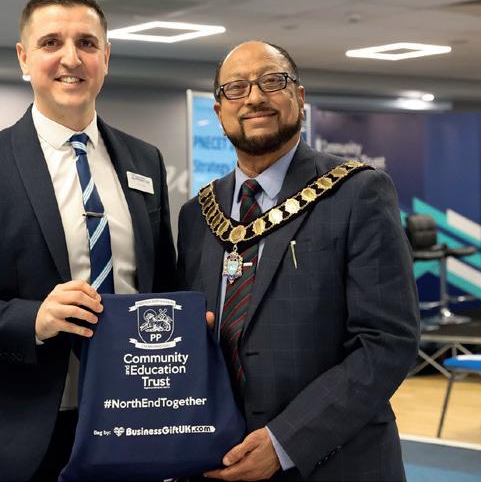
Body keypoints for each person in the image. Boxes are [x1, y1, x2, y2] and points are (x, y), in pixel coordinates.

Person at [0, 0, 176, 482]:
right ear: (24, 58)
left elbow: (162, 284)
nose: (71, 58)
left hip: (138, 417)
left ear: (106, 57)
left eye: (87, 43)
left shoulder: (145, 161)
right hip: (28, 431)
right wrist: (34, 318)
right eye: (51, 42)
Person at [176, 41, 419, 481]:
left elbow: (386, 342)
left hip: (335, 463)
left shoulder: (357, 193)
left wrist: (286, 441)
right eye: (236, 88)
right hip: (218, 462)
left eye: (272, 81)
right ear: (219, 111)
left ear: (299, 97)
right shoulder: (197, 216)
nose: (254, 97)